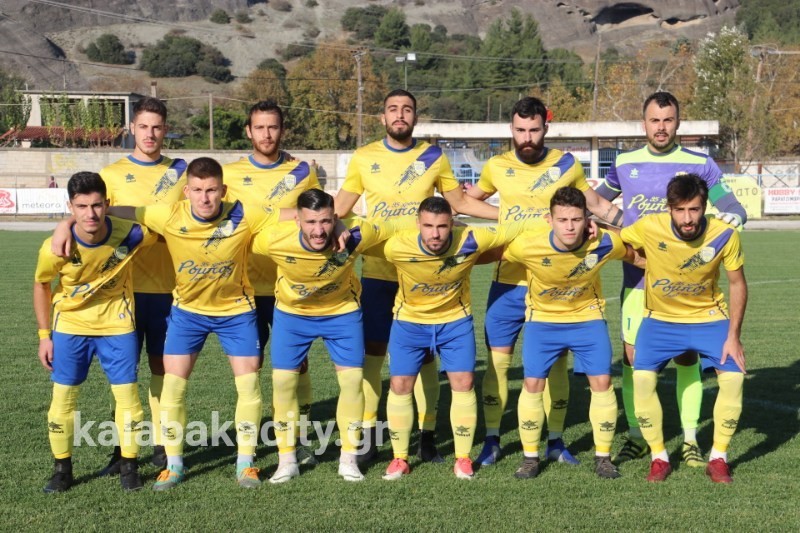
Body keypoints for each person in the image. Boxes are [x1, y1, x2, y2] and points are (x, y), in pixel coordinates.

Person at [334, 89, 499, 464]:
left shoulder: (433, 156)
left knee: (426, 359)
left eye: (406, 109)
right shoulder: (364, 157)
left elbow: (459, 203)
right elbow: (340, 207)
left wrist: (513, 214)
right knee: (373, 354)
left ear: (415, 117)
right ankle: (370, 434)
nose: (400, 114)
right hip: (379, 272)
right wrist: (315, 221)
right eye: (392, 109)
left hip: (426, 273)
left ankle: (426, 434)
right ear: (382, 117)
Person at [466, 96, 624, 466]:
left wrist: (640, 228)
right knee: (498, 363)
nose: (527, 137)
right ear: (511, 129)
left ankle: (555, 439)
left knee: (556, 367)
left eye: (534, 130)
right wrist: (503, 216)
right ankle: (492, 439)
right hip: (509, 282)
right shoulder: (496, 166)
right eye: (520, 130)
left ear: (545, 128)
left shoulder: (567, 164)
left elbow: (595, 204)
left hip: (557, 286)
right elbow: (465, 202)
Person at [106, 157, 278, 490]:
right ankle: (174, 466)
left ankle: (246, 464)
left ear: (223, 190)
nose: (204, 197)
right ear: (186, 192)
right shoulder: (169, 215)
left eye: (211, 190)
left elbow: (293, 215)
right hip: (187, 314)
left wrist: (336, 224)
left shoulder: (243, 213)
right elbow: (125, 211)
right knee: (172, 388)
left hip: (236, 313)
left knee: (249, 387)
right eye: (197, 190)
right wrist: (72, 223)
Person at [596, 91, 747, 467]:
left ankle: (690, 439)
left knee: (686, 357)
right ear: (643, 123)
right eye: (654, 120)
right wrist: (624, 228)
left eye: (667, 120)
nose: (661, 127)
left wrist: (733, 219)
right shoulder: (625, 162)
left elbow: (730, 205)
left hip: (689, 287)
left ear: (678, 123)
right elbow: (596, 202)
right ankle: (637, 435)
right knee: (633, 360)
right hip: (637, 280)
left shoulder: (700, 163)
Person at [51, 97, 188, 474]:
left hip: (167, 289)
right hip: (119, 295)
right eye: (143, 126)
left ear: (165, 129)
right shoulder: (111, 174)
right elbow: (87, 211)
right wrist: (64, 224)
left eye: (157, 127)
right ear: (131, 128)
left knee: (162, 369)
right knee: (122, 379)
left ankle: (162, 445)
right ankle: (120, 451)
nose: (150, 134)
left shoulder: (180, 172)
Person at [362, 196, 525, 480]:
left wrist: (584, 226)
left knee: (464, 383)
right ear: (418, 224)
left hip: (455, 323)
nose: (435, 234)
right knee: (400, 385)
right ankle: (400, 459)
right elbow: (358, 238)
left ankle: (462, 458)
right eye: (428, 226)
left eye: (442, 226)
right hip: (409, 323)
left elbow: (518, 226)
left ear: (453, 224)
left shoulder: (470, 239)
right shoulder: (397, 245)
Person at [251, 189, 398, 483]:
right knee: (282, 382)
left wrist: (451, 227)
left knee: (352, 381)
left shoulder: (356, 233)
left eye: (326, 221)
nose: (318, 231)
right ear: (297, 220)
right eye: (310, 222)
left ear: (335, 217)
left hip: (341, 314)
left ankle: (348, 459)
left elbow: (395, 226)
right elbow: (243, 226)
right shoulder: (273, 239)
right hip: (293, 315)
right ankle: (287, 461)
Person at [495, 186, 636, 479]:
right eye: (562, 220)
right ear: (550, 220)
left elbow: (635, 253)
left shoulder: (604, 242)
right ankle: (530, 458)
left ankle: (603, 457)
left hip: (588, 320)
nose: (569, 226)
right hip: (542, 323)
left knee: (602, 382)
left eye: (576, 219)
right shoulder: (528, 246)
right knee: (532, 384)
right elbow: (490, 253)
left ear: (587, 220)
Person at [34, 171, 157, 492]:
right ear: (70, 207)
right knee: (63, 398)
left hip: (118, 324)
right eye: (81, 206)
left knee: (128, 397)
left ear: (108, 204)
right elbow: (41, 284)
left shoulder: (131, 234)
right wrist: (44, 336)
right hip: (70, 326)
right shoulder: (55, 247)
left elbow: (167, 226)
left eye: (97, 205)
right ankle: (62, 469)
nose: (90, 214)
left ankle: (129, 465)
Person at [619, 174, 747, 483]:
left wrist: (733, 337)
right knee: (642, 379)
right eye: (680, 210)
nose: (687, 219)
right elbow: (619, 240)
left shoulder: (725, 234)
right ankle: (659, 458)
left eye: (694, 209)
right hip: (660, 320)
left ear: (705, 207)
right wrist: (636, 257)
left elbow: (737, 284)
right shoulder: (650, 226)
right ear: (669, 208)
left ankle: (718, 458)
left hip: (709, 318)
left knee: (733, 378)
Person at [224, 100, 321, 465]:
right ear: (248, 131)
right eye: (260, 127)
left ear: (282, 130)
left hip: (289, 287)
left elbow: (315, 216)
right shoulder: (230, 175)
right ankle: (248, 446)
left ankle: (301, 437)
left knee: (297, 366)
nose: (267, 134)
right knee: (250, 368)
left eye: (273, 127)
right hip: (244, 289)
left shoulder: (302, 172)